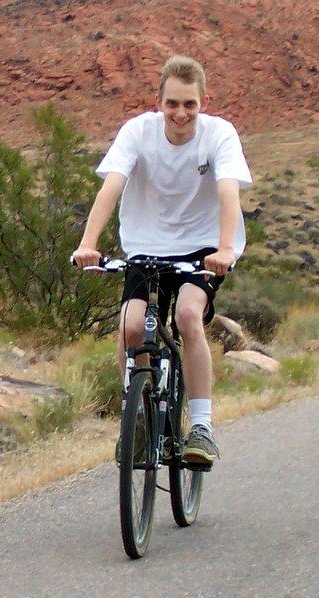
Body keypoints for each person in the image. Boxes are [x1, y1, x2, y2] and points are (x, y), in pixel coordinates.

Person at [72, 55, 252, 466]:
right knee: (131, 326)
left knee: (189, 316)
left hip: (203, 246)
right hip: (146, 245)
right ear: (159, 102)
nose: (181, 113)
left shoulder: (220, 135)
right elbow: (111, 186)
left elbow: (228, 192)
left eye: (189, 104)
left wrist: (224, 251)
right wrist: (88, 244)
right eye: (172, 103)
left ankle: (201, 428)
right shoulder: (137, 132)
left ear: (203, 102)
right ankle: (136, 417)